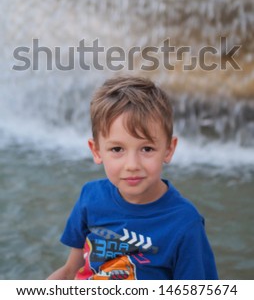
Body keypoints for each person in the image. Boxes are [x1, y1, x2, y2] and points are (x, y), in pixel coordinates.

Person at [48, 75, 218, 280]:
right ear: (97, 151)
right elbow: (70, 271)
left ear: (168, 150)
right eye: (117, 149)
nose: (132, 165)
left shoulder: (185, 223)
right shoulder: (90, 197)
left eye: (147, 149)